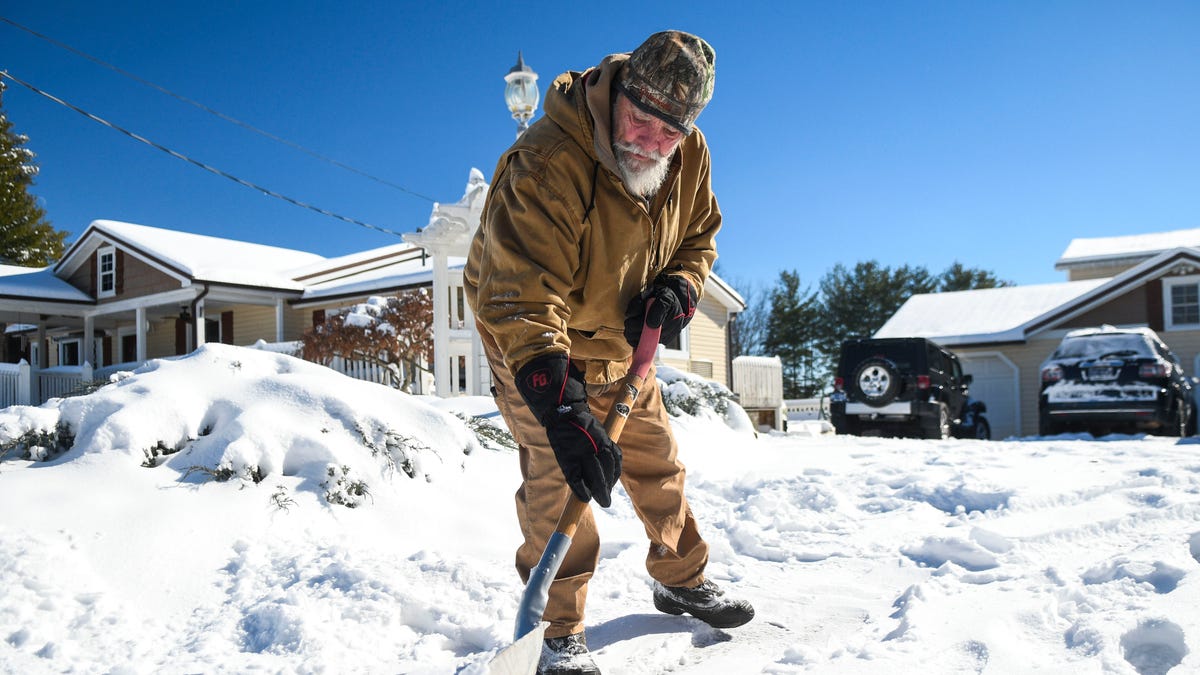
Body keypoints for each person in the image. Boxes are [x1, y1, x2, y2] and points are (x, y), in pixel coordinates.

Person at [465, 30, 753, 675]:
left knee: (655, 463)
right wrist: (559, 403)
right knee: (558, 482)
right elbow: (518, 295)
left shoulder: (688, 151)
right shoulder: (544, 163)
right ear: (618, 92)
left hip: (626, 346)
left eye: (669, 133)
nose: (651, 143)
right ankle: (555, 629)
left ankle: (680, 577)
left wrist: (679, 285)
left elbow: (700, 232)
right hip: (536, 347)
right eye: (642, 121)